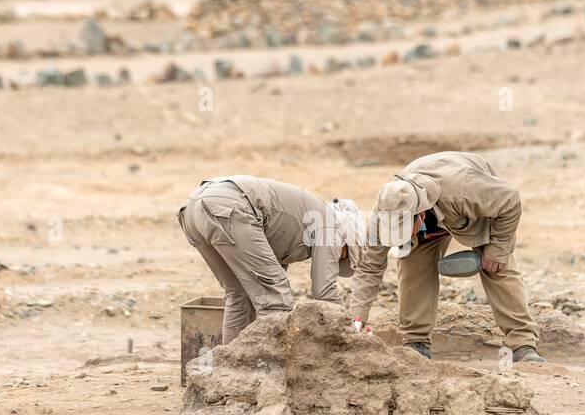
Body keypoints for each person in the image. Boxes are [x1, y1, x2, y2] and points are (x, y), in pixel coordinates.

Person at [348, 151, 545, 362]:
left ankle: (522, 343)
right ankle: (416, 342)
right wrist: (356, 321)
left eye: (403, 231)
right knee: (413, 267)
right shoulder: (385, 213)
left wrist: (498, 247)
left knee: (497, 266)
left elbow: (510, 199)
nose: (398, 238)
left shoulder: (465, 191)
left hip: (470, 211)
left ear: (420, 215)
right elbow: (369, 268)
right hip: (430, 219)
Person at [178, 176, 365, 343]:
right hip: (229, 207)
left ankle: (229, 369)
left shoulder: (295, 229)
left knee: (240, 295)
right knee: (276, 299)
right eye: (344, 255)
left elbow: (267, 273)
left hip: (196, 209)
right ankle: (270, 371)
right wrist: (351, 333)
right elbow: (324, 293)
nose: (337, 259)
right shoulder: (332, 226)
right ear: (347, 239)